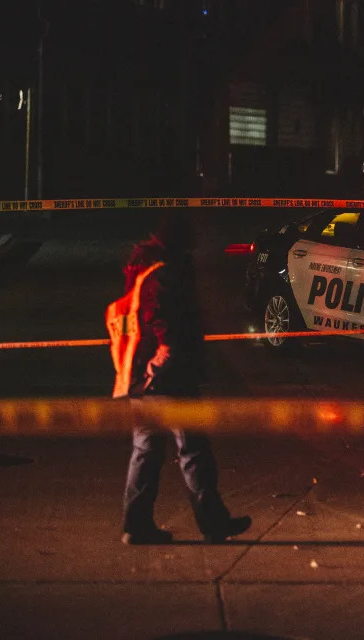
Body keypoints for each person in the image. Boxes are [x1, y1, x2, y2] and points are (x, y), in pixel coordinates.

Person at [110, 212, 251, 545]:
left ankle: (136, 524)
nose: (200, 240)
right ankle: (213, 523)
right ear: (180, 239)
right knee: (194, 451)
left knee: (146, 452)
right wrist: (161, 372)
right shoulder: (165, 276)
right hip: (167, 379)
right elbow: (169, 335)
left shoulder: (145, 269)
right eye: (194, 235)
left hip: (141, 378)